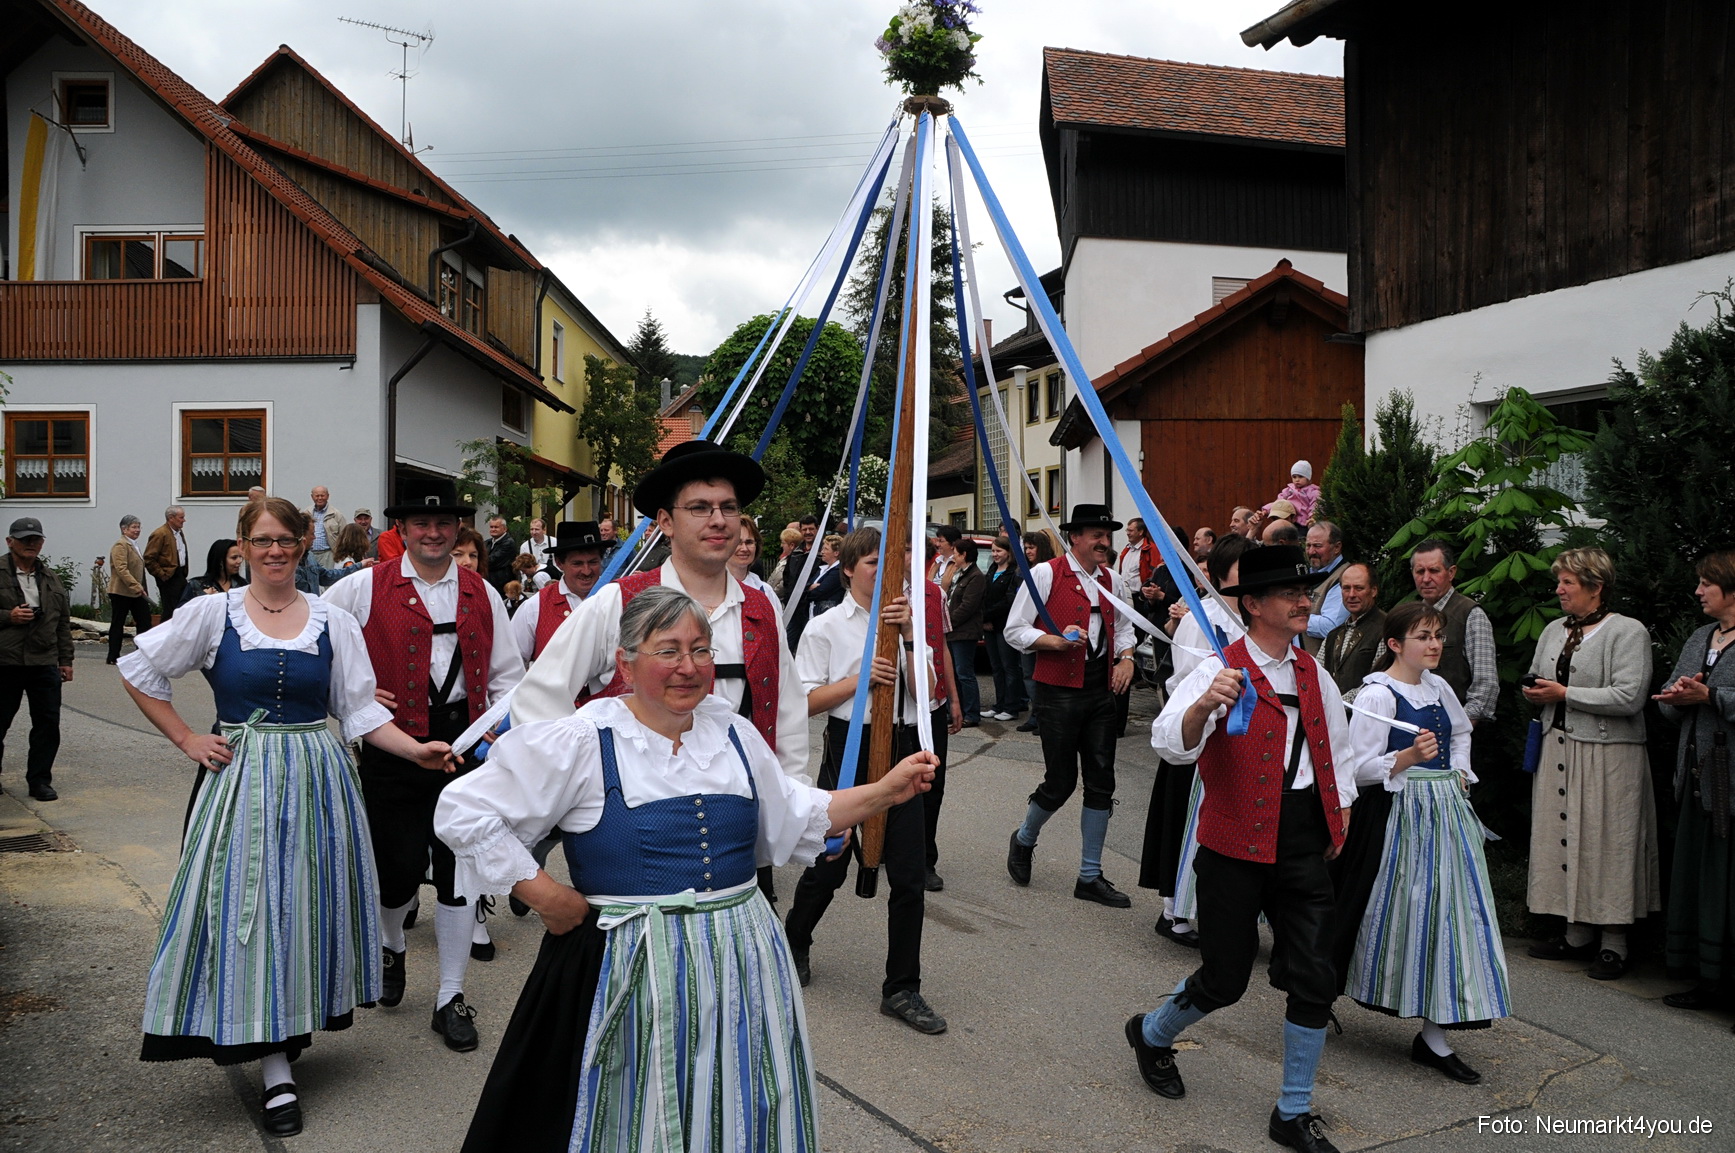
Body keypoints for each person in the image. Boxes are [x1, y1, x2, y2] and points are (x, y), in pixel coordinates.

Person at [437, 585, 936, 1152]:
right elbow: (463, 808)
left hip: (743, 958)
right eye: (667, 650)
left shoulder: (733, 734)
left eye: (701, 650)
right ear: (626, 662)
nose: (688, 667)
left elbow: (798, 813)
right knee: (638, 1107)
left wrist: (884, 792)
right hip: (631, 965)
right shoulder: (584, 739)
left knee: (741, 1100)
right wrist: (546, 894)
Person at [118, 497, 454, 1137]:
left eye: (287, 540)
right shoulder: (213, 614)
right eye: (262, 540)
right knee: (253, 914)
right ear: (241, 546)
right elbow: (139, 670)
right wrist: (188, 738)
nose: (275, 551)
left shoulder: (331, 620)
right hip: (242, 782)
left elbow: (357, 713)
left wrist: (415, 749)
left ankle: (286, 1031)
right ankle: (275, 1070)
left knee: (301, 911)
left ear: (303, 546)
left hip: (317, 781)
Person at [511, 439, 814, 909]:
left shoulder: (762, 607)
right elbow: (537, 699)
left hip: (736, 823)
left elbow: (789, 713)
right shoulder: (618, 601)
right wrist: (588, 792)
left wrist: (792, 806)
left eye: (728, 508)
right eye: (699, 507)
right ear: (666, 523)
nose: (718, 520)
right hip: (640, 832)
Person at [1131, 543, 1361, 1153]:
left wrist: (1337, 822)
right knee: (1225, 978)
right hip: (1234, 842)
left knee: (1315, 975)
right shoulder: (1218, 669)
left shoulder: (1316, 673)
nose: (1304, 600)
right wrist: (1204, 706)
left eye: (1305, 591)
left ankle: (1292, 1111)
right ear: (1254, 605)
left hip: (1302, 837)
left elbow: (1337, 752)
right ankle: (1152, 1034)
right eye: (1292, 593)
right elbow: (1171, 745)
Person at [322, 476, 524, 1053]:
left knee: (460, 873)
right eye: (421, 524)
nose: (433, 532)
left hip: (465, 747)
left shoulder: (481, 592)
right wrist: (353, 697)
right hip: (391, 745)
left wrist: (492, 733)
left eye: (444, 524)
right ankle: (393, 947)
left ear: (456, 529)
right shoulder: (360, 588)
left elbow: (510, 676)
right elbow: (316, 646)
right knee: (396, 872)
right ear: (401, 531)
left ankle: (450, 996)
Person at [784, 527, 952, 1032]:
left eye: (894, 561)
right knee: (829, 862)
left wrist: (904, 640)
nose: (885, 570)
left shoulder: (911, 624)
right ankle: (795, 939)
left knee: (907, 874)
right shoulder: (826, 627)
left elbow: (927, 694)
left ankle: (902, 987)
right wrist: (859, 681)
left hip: (900, 748)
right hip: (848, 749)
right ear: (850, 568)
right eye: (875, 561)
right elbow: (804, 703)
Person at [1338, 602, 1510, 1084]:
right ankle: (1320, 995)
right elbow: (1357, 767)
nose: (1435, 644)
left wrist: (1459, 772)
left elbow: (1459, 732)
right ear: (1395, 644)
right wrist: (1407, 757)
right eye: (1423, 637)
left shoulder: (1438, 687)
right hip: (1397, 816)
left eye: (1438, 636)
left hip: (1445, 814)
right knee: (1386, 910)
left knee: (1451, 915)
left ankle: (1435, 1037)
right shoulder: (1378, 695)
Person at [1521, 547, 1656, 980]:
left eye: (1568, 583)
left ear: (1595, 588)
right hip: (1558, 746)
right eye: (1559, 581)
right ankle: (1575, 933)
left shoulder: (1627, 632)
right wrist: (1536, 691)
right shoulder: (1553, 630)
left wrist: (1563, 694)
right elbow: (1538, 675)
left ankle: (1614, 942)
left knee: (1608, 842)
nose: (1559, 589)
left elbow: (1630, 696)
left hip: (1609, 753)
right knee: (1563, 836)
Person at [1004, 505, 1138, 907]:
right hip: (1057, 690)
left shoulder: (1113, 580)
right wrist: (1054, 642)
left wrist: (1127, 658)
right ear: (1074, 537)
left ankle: (1089, 875)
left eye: (1106, 534)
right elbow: (1015, 630)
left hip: (1100, 691)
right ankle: (1024, 838)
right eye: (1096, 534)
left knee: (1101, 781)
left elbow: (1125, 627)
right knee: (1060, 781)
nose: (1104, 542)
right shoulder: (1046, 573)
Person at [1140, 532, 1255, 948]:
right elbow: (1185, 683)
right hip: (1202, 734)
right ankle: (1175, 912)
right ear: (1222, 575)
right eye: (1243, 568)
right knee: (1190, 823)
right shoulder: (1200, 618)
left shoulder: (1255, 618)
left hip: (1243, 740)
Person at [1655, 549, 1735, 1013]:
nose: (1699, 591)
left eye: (1707, 583)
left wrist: (1714, 696)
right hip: (1698, 779)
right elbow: (1669, 698)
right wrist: (1677, 698)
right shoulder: (1701, 636)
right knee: (1698, 880)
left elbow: (1718, 698)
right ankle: (1708, 982)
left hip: (1732, 784)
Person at [0, 517, 73, 802]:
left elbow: (62, 623)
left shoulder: (51, 578)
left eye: (36, 539)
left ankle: (40, 781)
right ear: (10, 542)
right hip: (5, 661)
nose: (31, 544)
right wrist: (9, 616)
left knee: (47, 724)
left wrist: (66, 660)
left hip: (43, 662)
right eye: (24, 539)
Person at [1409, 540, 1498, 726]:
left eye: (1434, 571)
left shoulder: (1471, 614)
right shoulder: (1410, 616)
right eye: (1420, 571)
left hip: (1456, 730)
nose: (1426, 578)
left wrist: (1457, 728)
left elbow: (1486, 685)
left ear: (1451, 573)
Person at [510, 521, 606, 665]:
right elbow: (510, 664)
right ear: (559, 563)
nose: (586, 571)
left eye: (593, 562)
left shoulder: (616, 601)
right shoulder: (534, 607)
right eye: (577, 563)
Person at [1014, 529, 1058, 733]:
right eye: (1026, 548)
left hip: (1041, 630)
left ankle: (1044, 715)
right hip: (1024, 628)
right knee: (1028, 674)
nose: (1028, 551)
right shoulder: (1021, 570)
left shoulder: (1047, 570)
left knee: (1041, 676)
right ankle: (1036, 714)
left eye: (1032, 548)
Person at [1320, 563, 1385, 697]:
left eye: (1359, 588)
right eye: (1346, 588)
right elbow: (1316, 675)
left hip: (1369, 714)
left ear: (1374, 591)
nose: (1351, 594)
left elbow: (1379, 681)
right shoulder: (1333, 635)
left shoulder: (1387, 629)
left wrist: (1337, 704)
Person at [982, 536, 1026, 721]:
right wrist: (984, 618)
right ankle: (999, 704)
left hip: (1004, 625)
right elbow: (985, 596)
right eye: (993, 551)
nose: (995, 555)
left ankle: (1011, 706)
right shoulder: (992, 570)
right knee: (996, 667)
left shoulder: (1013, 573)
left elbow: (1008, 601)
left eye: (998, 551)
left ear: (1008, 552)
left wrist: (989, 615)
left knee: (1009, 666)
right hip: (989, 625)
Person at [945, 539, 986, 726]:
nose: (953, 556)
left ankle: (971, 713)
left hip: (964, 632)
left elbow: (967, 606)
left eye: (956, 553)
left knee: (964, 673)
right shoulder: (959, 574)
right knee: (953, 673)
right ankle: (957, 711)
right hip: (954, 632)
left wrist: (947, 622)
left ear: (964, 555)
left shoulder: (976, 577)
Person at [107, 515, 151, 665]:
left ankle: (142, 653)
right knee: (118, 622)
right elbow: (121, 569)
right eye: (134, 527)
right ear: (124, 529)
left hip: (136, 591)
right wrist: (136, 586)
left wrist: (141, 587)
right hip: (121, 591)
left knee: (145, 620)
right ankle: (113, 656)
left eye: (138, 527)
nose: (137, 530)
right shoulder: (121, 545)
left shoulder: (134, 545)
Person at [1301, 521, 1348, 654]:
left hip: (1323, 667)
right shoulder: (1309, 571)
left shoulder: (1344, 578)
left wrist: (1291, 615)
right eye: (1308, 545)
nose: (1311, 552)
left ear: (1337, 547)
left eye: (1317, 546)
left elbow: (1331, 627)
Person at [144, 506, 191, 623]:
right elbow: (149, 558)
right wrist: (161, 575)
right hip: (168, 576)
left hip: (179, 574)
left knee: (181, 607)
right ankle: (164, 636)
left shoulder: (178, 533)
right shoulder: (160, 534)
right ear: (171, 518)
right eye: (181, 517)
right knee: (170, 610)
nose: (184, 520)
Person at [181, 539, 247, 602]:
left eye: (240, 557)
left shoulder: (243, 585)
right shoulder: (196, 585)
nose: (239, 561)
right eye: (234, 558)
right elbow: (182, 611)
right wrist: (205, 599)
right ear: (220, 561)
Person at [729, 515, 775, 597]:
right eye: (738, 542)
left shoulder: (766, 591)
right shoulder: (709, 589)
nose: (744, 548)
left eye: (749, 542)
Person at [1271, 460, 1320, 526]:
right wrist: (1265, 510)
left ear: (1308, 478)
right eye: (1294, 477)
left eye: (1300, 476)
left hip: (1305, 523)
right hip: (1289, 521)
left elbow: (1315, 506)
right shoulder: (1288, 491)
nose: (1297, 480)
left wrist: (1312, 517)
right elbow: (1278, 503)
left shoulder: (1313, 492)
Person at [306, 486, 345, 567]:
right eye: (317, 496)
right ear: (312, 497)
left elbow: (344, 536)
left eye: (322, 495)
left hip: (328, 555)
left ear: (327, 496)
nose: (320, 498)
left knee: (328, 578)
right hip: (309, 554)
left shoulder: (336, 514)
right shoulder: (307, 513)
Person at [485, 516, 517, 593]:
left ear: (505, 529)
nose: (493, 529)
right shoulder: (487, 543)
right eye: (491, 527)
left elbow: (492, 561)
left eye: (496, 527)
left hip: (502, 585)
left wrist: (480, 560)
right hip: (489, 582)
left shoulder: (508, 543)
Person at [767, 527, 803, 595]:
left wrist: (770, 594)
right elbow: (772, 577)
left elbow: (783, 585)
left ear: (792, 545)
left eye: (783, 543)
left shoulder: (796, 563)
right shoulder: (784, 559)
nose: (781, 545)